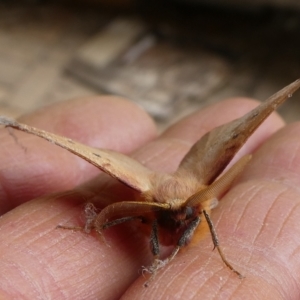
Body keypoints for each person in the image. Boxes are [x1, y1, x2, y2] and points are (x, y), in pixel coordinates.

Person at [0, 95, 299, 299]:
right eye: (176, 216)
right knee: (144, 213)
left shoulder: (197, 205)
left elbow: (198, 211)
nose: (179, 220)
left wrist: (218, 251)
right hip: (148, 185)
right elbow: (143, 216)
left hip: (193, 181)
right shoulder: (149, 205)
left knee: (194, 213)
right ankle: (16, 126)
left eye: (184, 215)